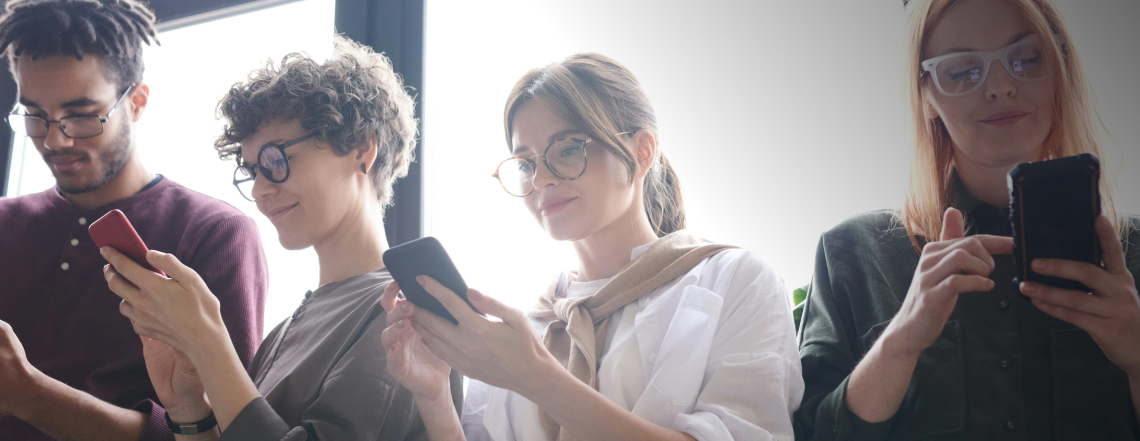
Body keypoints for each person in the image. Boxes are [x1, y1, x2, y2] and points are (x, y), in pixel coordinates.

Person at [380, 53, 803, 441]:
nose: (542, 179)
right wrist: (434, 394)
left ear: (641, 152)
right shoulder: (527, 327)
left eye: (567, 148)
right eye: (526, 163)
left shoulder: (735, 282)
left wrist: (535, 376)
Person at [794, 0, 1140, 439]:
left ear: (1060, 70)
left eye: (1026, 58)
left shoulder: (1135, 252)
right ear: (927, 97)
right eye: (961, 71)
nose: (1000, 85)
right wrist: (900, 343)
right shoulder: (852, 253)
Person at [102, 36, 463, 440]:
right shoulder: (285, 330)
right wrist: (190, 409)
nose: (258, 190)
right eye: (252, 171)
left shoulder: (404, 312)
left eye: (276, 160)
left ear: (362, 148)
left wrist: (208, 342)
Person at [0, 0, 268, 439]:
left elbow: (225, 430)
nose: (54, 139)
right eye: (35, 116)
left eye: (81, 116)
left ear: (137, 101)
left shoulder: (214, 234)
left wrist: (30, 395)